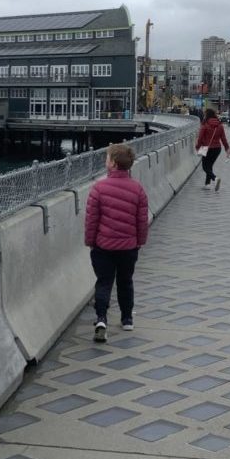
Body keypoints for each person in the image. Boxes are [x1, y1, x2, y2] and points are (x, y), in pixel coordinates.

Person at [84, 143, 149, 343]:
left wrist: (90, 241)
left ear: (112, 163)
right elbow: (141, 220)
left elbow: (91, 220)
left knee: (104, 282)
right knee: (125, 281)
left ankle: (101, 318)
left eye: (106, 158)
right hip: (128, 247)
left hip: (103, 246)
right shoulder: (138, 189)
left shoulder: (98, 188)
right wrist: (139, 241)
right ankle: (127, 318)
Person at [195, 107, 230, 190]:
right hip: (217, 148)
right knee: (210, 166)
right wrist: (227, 148)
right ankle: (207, 184)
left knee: (205, 166)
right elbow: (223, 138)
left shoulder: (205, 125)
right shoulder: (220, 125)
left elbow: (200, 138)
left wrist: (197, 147)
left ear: (207, 115)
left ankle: (215, 178)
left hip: (206, 148)